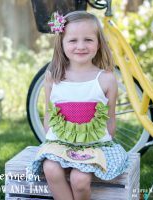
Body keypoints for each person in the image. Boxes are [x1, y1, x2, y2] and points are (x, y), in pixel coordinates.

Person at [29, 11, 129, 200]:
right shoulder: (54, 77)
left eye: (88, 40)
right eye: (73, 40)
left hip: (94, 144)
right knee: (50, 168)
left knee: (79, 180)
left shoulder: (106, 79)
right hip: (59, 142)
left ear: (99, 43)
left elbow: (110, 118)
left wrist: (101, 145)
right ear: (62, 43)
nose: (81, 46)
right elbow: (49, 112)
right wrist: (49, 141)